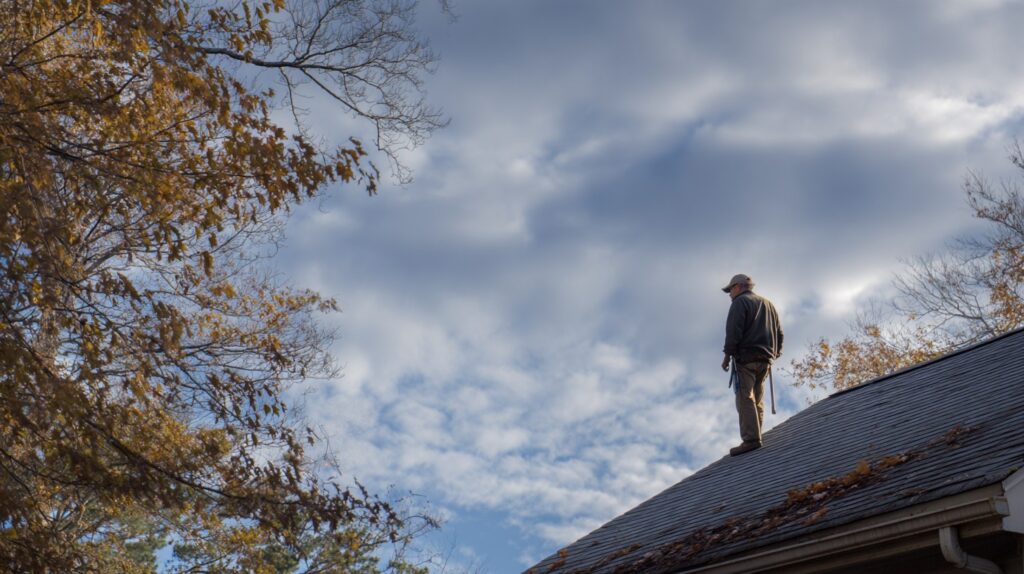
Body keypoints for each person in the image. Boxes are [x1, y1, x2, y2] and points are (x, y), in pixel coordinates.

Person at [720, 274, 783, 456]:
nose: (730, 294)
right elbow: (779, 333)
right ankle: (757, 434)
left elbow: (733, 331)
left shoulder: (740, 303)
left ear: (739, 287)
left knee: (745, 397)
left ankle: (751, 439)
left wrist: (727, 356)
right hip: (765, 359)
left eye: (730, 289)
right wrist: (775, 353)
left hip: (746, 358)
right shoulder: (768, 303)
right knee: (757, 396)